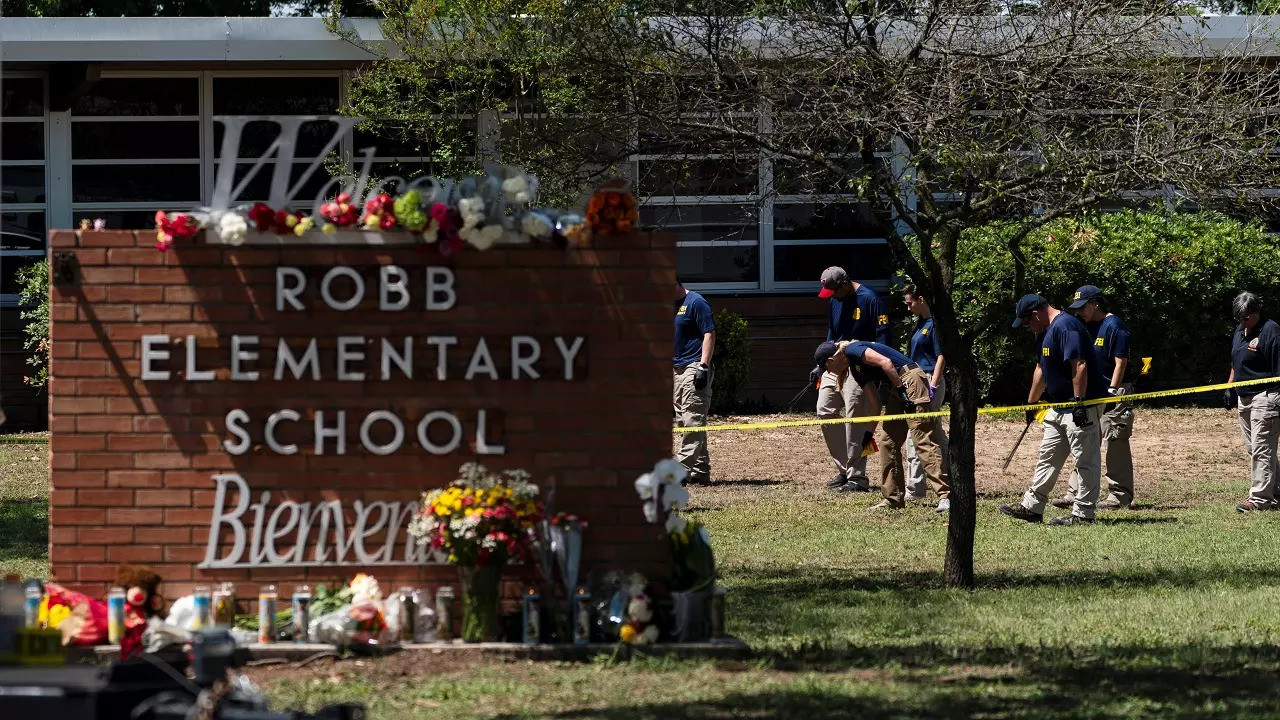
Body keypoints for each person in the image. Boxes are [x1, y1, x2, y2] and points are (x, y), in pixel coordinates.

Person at [1000, 294, 1109, 526]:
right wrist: (1031, 403)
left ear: (1036, 314)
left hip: (1080, 406)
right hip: (1057, 408)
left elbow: (1079, 365)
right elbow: (1041, 368)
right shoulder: (1043, 332)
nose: (1028, 328)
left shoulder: (1066, 327)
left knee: (1086, 461)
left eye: (1027, 322)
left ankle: (1083, 514)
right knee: (1047, 457)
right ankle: (1032, 506)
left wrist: (1079, 403)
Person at [812, 338, 948, 511]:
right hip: (898, 385)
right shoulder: (856, 368)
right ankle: (893, 498)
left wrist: (901, 391)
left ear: (831, 360)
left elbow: (886, 362)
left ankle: (946, 496)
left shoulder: (853, 349)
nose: (829, 372)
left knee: (921, 438)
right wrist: (868, 436)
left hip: (910, 379)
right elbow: (875, 404)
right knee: (887, 442)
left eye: (827, 368)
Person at [1052, 285, 1136, 510]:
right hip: (1092, 392)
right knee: (1084, 440)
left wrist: (1112, 391)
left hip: (1113, 393)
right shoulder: (1084, 326)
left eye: (1083, 307)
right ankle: (1074, 491)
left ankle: (1119, 495)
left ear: (1095, 304)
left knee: (1115, 441)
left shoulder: (1114, 326)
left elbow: (1121, 363)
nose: (1079, 313)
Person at [813, 266, 891, 493]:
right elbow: (831, 331)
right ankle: (844, 469)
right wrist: (821, 363)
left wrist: (876, 371)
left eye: (834, 291)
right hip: (834, 361)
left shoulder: (871, 300)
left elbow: (883, 338)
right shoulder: (835, 300)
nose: (833, 296)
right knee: (824, 410)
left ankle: (857, 478)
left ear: (845, 284)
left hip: (860, 364)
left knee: (855, 419)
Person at [1224, 291, 1280, 513]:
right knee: (1254, 448)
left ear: (1256, 312)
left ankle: (1259, 499)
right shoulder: (1240, 330)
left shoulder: (1271, 331)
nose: (1242, 321)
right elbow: (1236, 361)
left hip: (1266, 396)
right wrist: (1230, 387)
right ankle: (1275, 490)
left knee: (1262, 448)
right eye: (1239, 318)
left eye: (1246, 317)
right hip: (1244, 396)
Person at [902, 285, 949, 510]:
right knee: (935, 432)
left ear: (921, 299)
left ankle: (915, 488)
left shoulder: (935, 324)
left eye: (910, 303)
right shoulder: (919, 324)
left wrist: (933, 383)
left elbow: (942, 356)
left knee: (918, 431)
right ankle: (947, 477)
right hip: (916, 379)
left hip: (929, 379)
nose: (908, 308)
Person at [674, 281, 716, 485]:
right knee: (686, 422)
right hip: (676, 370)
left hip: (694, 366)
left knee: (693, 421)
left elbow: (709, 333)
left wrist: (703, 367)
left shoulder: (696, 302)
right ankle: (700, 471)